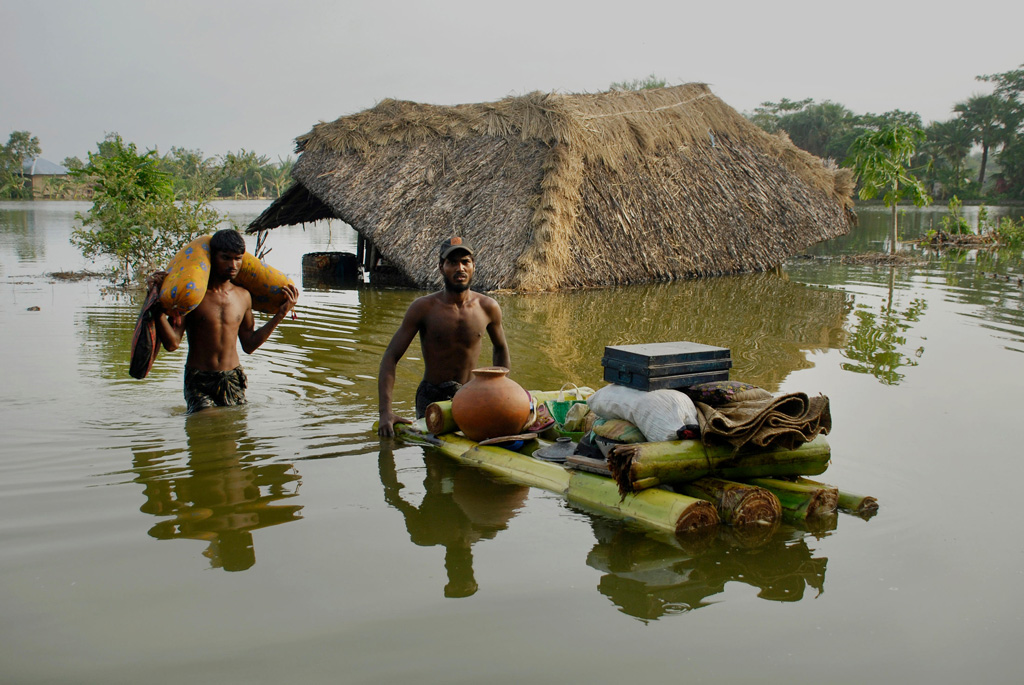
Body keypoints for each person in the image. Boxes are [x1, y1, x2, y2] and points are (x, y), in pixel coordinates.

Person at [150, 229, 299, 414]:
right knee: (205, 423)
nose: (233, 265)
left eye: (237, 258)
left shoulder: (243, 296)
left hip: (233, 377)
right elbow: (172, 344)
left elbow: (249, 345)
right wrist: (157, 314)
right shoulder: (193, 297)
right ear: (213, 258)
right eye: (226, 258)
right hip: (200, 379)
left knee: (232, 434)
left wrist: (280, 314)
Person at [377, 237, 510, 437]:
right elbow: (390, 356)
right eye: (452, 262)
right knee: (433, 461)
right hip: (431, 396)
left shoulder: (488, 307)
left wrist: (500, 391)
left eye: (465, 261)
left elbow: (500, 348)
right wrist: (385, 412)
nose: (460, 268)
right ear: (441, 267)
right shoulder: (423, 308)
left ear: (473, 266)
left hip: (470, 395)